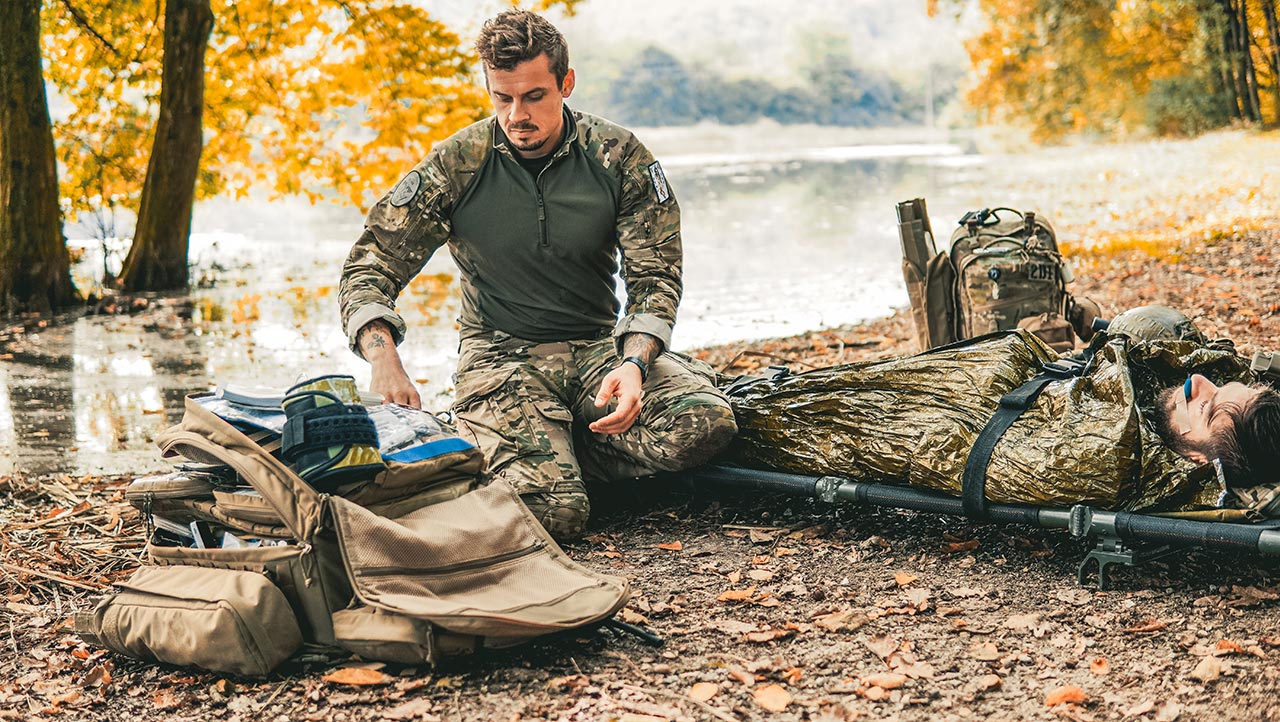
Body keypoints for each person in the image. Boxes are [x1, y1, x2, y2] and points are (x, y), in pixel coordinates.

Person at [338, 10, 737, 539]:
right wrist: (383, 358)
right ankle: (524, 450)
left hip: (599, 351)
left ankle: (558, 447)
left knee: (704, 425)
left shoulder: (619, 157)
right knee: (555, 513)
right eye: (501, 98)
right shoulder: (456, 164)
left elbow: (654, 278)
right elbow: (369, 267)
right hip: (500, 359)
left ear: (565, 84)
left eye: (533, 97)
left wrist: (635, 364)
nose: (516, 115)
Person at [726, 316, 1280, 513]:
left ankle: (739, 405)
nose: (1198, 381)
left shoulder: (1113, 454)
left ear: (1192, 457)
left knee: (773, 412)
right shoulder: (1169, 409)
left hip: (946, 415)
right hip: (994, 377)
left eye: (1204, 404)